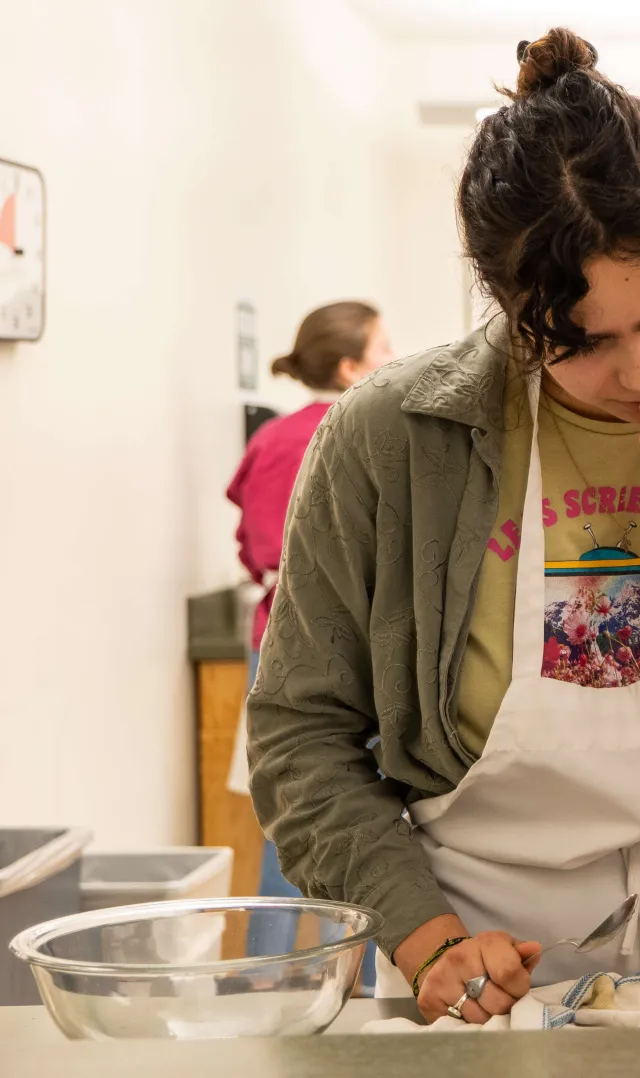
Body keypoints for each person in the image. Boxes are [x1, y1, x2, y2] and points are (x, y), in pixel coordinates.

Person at [247, 28, 640, 1025]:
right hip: (477, 940)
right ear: (509, 308)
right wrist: (426, 935)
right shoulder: (392, 438)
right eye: (583, 343)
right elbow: (300, 730)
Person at [225, 300, 394, 970]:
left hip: (277, 642)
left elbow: (254, 546)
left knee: (284, 812)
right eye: (384, 349)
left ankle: (265, 978)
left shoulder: (271, 439)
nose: (394, 361)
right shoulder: (372, 432)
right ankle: (349, 978)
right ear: (352, 366)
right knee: (368, 816)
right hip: (364, 647)